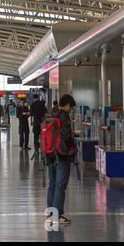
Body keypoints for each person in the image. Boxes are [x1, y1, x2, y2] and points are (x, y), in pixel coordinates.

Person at [46, 94, 77, 224]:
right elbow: (65, 136)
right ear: (68, 105)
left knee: (52, 185)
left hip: (49, 154)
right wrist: (71, 137)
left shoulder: (49, 114)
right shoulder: (64, 116)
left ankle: (50, 215)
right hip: (61, 155)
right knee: (60, 186)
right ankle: (57, 215)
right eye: (71, 108)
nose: (71, 110)